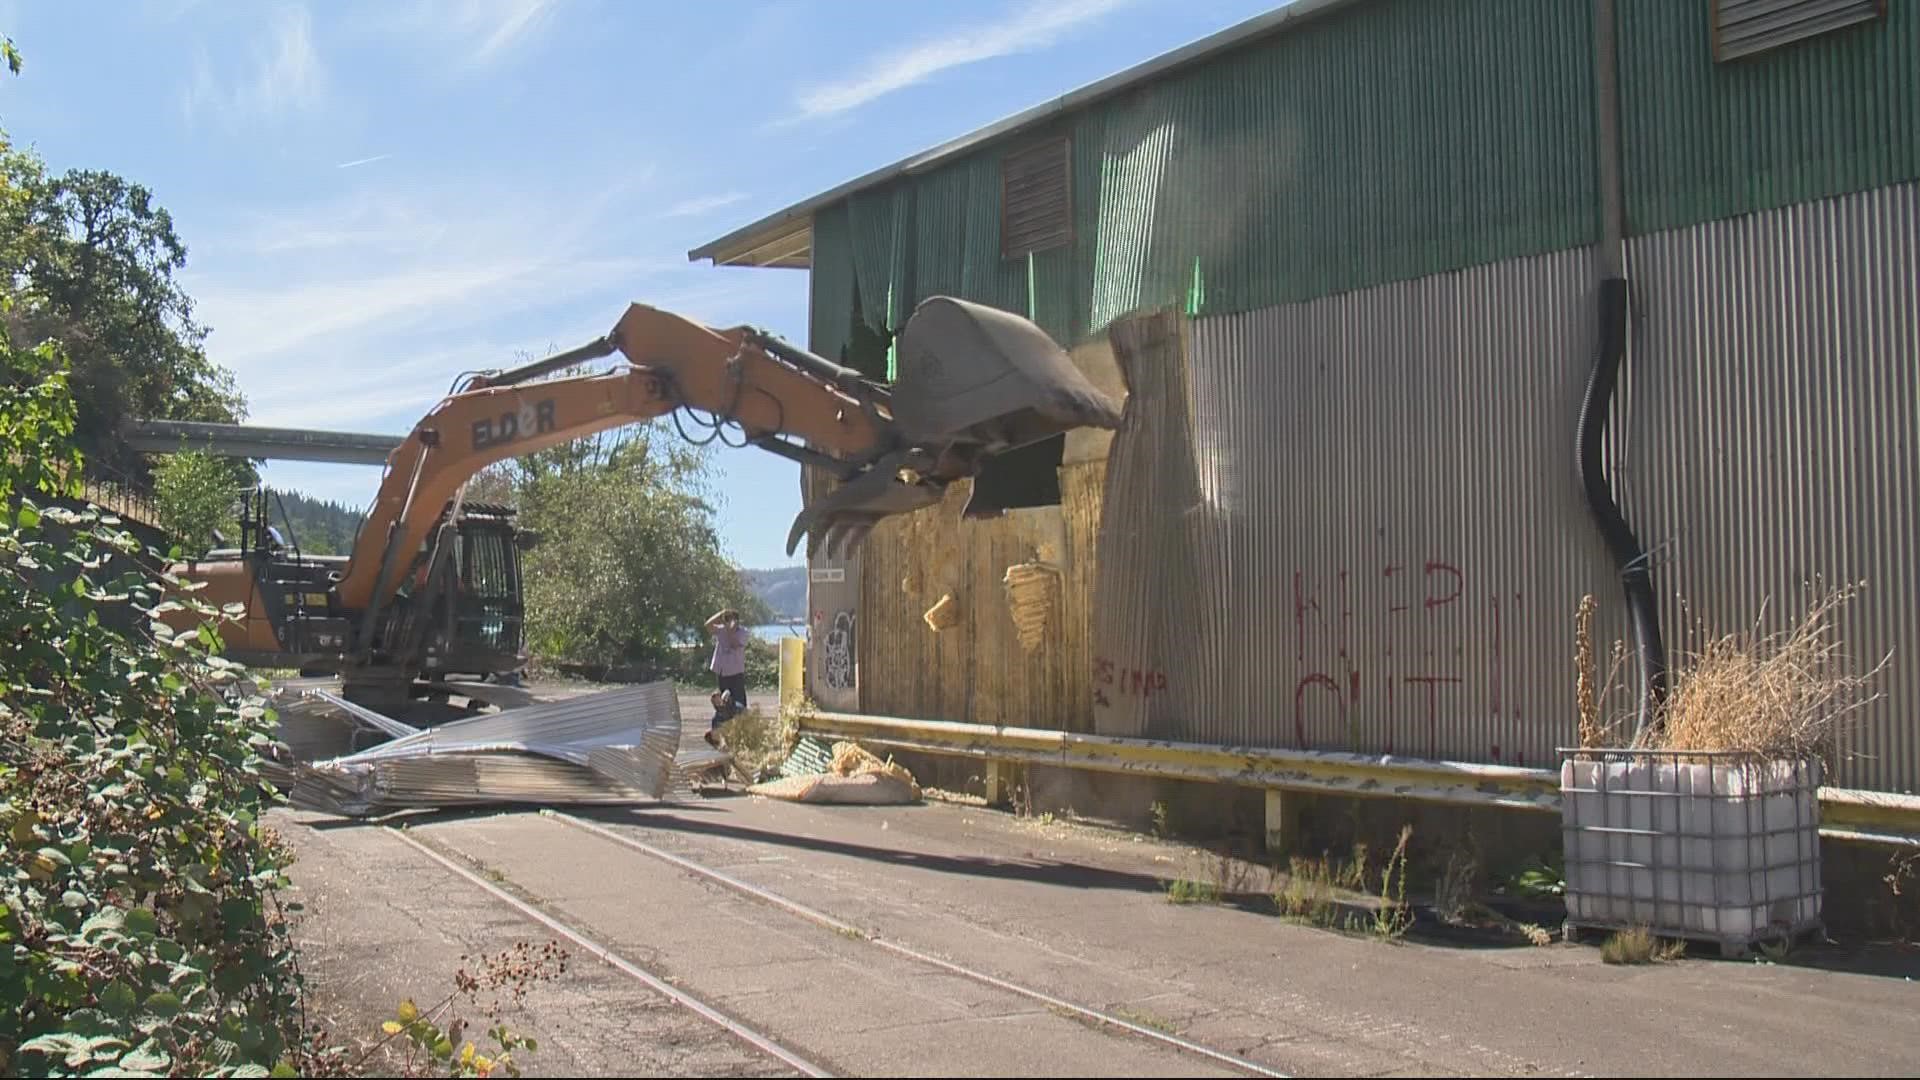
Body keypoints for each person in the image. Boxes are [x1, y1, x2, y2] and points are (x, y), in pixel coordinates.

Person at [703, 608, 750, 747]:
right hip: (723, 672)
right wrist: (720, 614)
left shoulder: (743, 632)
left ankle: (741, 735)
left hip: (736, 674)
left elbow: (735, 643)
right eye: (728, 619)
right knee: (723, 705)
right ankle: (719, 734)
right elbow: (708, 626)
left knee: (739, 707)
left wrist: (731, 628)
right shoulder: (721, 630)